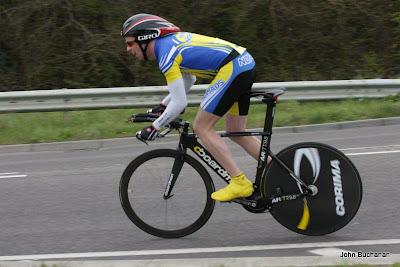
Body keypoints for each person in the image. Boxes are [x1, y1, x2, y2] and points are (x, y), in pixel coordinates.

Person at [122, 14, 261, 202]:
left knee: (202, 128)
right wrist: (163, 106)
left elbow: (180, 103)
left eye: (130, 43)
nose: (128, 49)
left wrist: (154, 127)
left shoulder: (166, 54)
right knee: (236, 131)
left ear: (145, 39)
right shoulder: (170, 45)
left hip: (234, 68)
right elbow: (189, 80)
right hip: (244, 63)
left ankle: (239, 182)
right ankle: (276, 171)